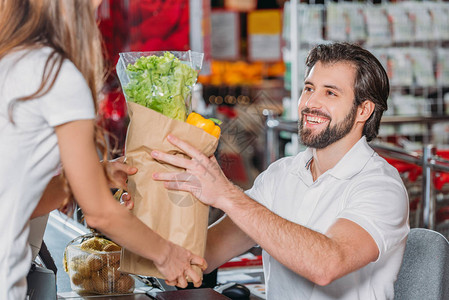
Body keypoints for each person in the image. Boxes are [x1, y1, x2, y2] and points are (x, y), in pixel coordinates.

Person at [149, 42, 410, 299]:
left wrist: (227, 194)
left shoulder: (381, 186)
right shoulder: (282, 174)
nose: (310, 102)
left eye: (330, 93)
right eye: (309, 88)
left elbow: (327, 265)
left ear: (363, 110)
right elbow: (202, 256)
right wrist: (146, 212)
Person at [0, 1, 206, 299]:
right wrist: (166, 254)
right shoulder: (55, 74)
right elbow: (100, 214)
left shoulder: (12, 61)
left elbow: (20, 199)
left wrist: (95, 175)